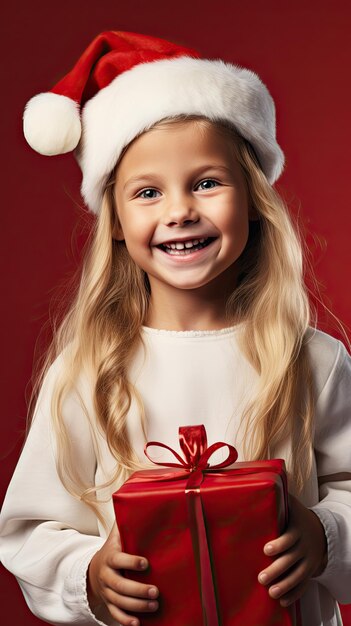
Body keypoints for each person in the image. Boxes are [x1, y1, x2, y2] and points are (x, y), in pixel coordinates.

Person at [0, 29, 350, 626]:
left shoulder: (313, 359)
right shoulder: (87, 373)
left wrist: (325, 533)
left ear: (253, 200)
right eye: (147, 192)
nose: (180, 210)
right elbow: (31, 530)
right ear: (114, 220)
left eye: (207, 182)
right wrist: (88, 573)